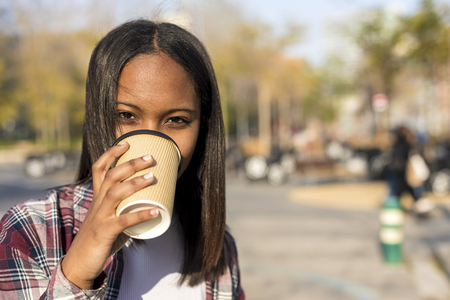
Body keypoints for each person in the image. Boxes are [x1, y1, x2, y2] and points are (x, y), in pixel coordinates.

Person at [0, 19, 244, 300]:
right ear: (98, 116)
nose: (150, 150)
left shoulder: (217, 248)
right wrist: (77, 272)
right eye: (127, 116)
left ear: (202, 130)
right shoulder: (32, 231)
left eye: (176, 120)